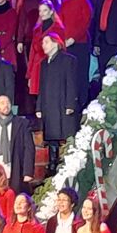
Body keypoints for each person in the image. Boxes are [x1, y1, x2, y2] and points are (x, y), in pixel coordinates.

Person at [36, 32, 79, 174]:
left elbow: (71, 83)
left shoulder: (67, 60)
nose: (43, 45)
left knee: (65, 135)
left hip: (62, 104)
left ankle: (67, 165)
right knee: (51, 136)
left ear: (56, 43)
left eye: (46, 42)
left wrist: (70, 104)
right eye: (43, 42)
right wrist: (39, 106)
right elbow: (41, 87)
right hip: (49, 105)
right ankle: (52, 164)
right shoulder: (44, 63)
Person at [0, 95, 35, 194]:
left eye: (8, 103)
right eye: (2, 103)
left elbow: (29, 149)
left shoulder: (22, 123)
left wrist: (28, 172)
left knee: (14, 195)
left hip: (15, 167)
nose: (6, 105)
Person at [59, 0, 93, 107]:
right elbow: (61, 24)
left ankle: (82, 103)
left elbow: (85, 24)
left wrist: (74, 38)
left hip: (80, 44)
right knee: (69, 74)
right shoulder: (65, 4)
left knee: (80, 74)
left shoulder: (84, 2)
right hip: (67, 44)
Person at [27, 0, 65, 96]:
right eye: (40, 11)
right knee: (38, 96)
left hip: (51, 65)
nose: (42, 13)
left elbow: (62, 49)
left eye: (45, 10)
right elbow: (32, 52)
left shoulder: (57, 28)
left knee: (50, 93)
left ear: (51, 11)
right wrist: (30, 74)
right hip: (37, 65)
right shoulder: (37, 30)